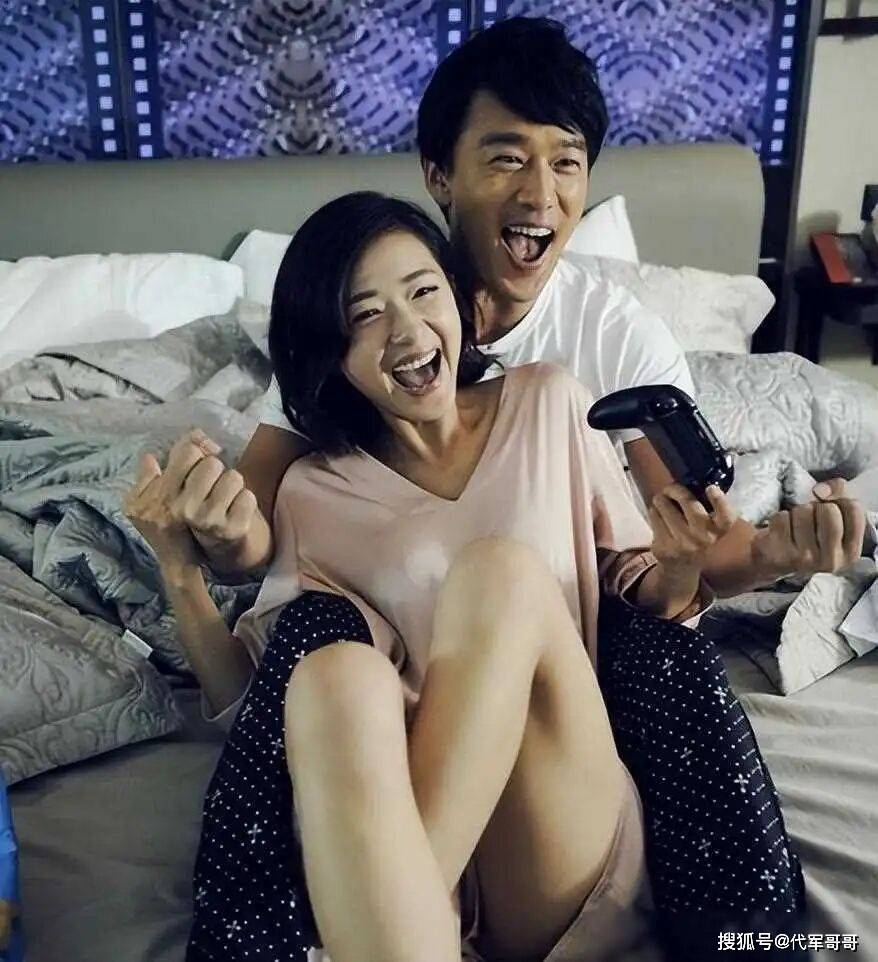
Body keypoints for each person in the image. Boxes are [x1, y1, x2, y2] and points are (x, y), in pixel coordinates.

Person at [125, 192, 767, 962]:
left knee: (500, 574)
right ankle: (406, 928)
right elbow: (255, 714)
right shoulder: (313, 492)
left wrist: (682, 562)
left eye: (423, 291)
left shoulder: (548, 400)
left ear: (460, 302)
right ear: (329, 351)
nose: (406, 330)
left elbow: (640, 591)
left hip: (556, 821)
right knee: (334, 675)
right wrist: (178, 568)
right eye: (365, 315)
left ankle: (389, 920)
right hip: (414, 862)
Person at [177, 16, 862, 598]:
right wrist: (219, 532)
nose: (540, 196)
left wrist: (775, 553)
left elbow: (696, 542)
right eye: (507, 159)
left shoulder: (618, 338)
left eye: (566, 163)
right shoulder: (368, 332)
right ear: (438, 175)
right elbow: (248, 538)